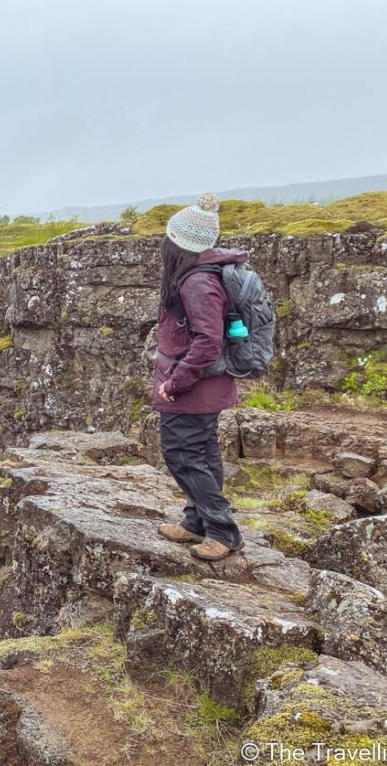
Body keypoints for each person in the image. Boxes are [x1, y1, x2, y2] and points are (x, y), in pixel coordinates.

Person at [151, 193, 247, 561]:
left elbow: (208, 341)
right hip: (204, 386)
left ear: (177, 243)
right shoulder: (202, 274)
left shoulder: (196, 282)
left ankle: (223, 530)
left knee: (182, 454)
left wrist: (176, 382)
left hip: (193, 388)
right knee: (203, 452)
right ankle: (197, 521)